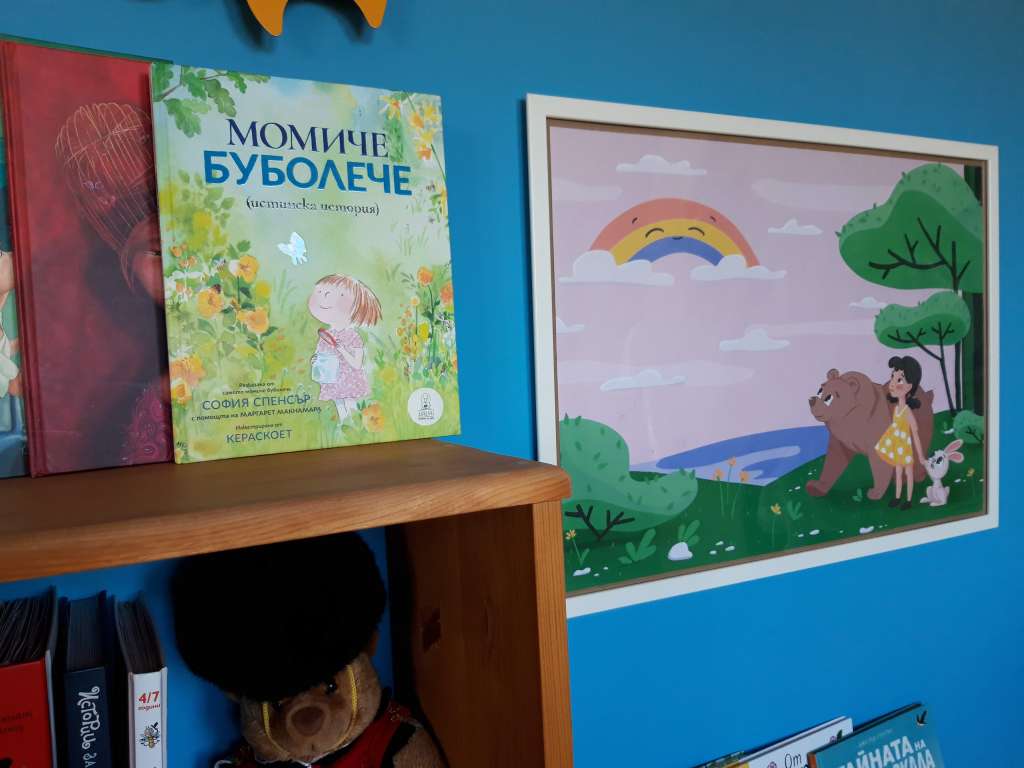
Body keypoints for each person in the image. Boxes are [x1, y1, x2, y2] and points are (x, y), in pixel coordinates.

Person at [308, 273, 383, 422]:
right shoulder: (325, 335)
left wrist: (341, 348)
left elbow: (357, 364)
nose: (324, 297)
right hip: (332, 379)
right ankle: (344, 428)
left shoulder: (353, 336)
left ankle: (356, 428)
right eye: (320, 292)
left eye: (340, 295)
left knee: (350, 406)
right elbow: (320, 356)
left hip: (349, 380)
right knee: (340, 407)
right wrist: (315, 361)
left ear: (357, 309)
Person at [875, 355, 927, 510]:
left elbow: (915, 433)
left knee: (908, 473)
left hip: (906, 448)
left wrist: (921, 456)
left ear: (909, 386)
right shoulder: (897, 409)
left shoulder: (907, 411)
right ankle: (897, 497)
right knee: (898, 473)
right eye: (893, 377)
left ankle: (908, 499)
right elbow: (895, 428)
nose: (892, 383)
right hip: (897, 446)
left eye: (899, 380)